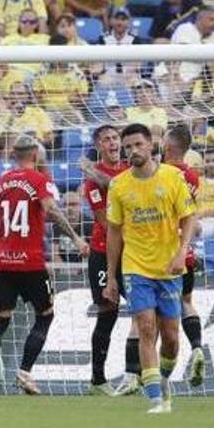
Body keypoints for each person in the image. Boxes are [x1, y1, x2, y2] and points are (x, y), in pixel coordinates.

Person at [0, 136, 88, 396]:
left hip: (3, 264)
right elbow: (52, 211)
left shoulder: (0, 183)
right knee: (45, 315)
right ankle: (24, 373)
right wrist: (76, 237)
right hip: (31, 264)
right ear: (35, 153)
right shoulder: (39, 180)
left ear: (14, 154)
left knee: (0, 321)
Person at [102, 123, 197, 413]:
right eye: (127, 147)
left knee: (170, 337)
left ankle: (164, 380)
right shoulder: (119, 185)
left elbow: (189, 217)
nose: (132, 151)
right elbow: (114, 232)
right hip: (136, 267)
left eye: (137, 145)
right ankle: (156, 399)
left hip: (169, 268)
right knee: (145, 327)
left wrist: (182, 252)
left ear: (151, 145)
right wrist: (111, 277)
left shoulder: (173, 177)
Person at [81, 125, 133, 393]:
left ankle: (135, 375)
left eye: (115, 138)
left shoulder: (130, 170)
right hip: (103, 253)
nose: (113, 142)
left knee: (144, 312)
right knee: (107, 314)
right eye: (106, 139)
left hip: (135, 254)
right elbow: (105, 222)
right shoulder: (92, 182)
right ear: (99, 146)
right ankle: (98, 380)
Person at [160, 125, 206, 386]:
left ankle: (155, 375)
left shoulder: (161, 173)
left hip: (159, 250)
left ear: (167, 146)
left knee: (156, 316)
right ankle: (197, 347)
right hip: (184, 248)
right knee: (187, 301)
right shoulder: (192, 176)